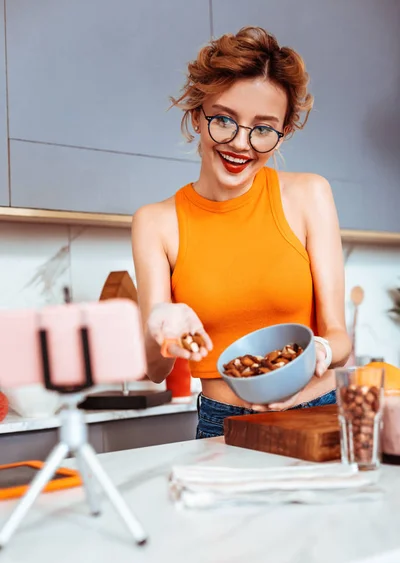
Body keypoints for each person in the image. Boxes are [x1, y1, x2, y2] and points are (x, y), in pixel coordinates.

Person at [132, 26, 351, 439]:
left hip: (317, 414)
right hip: (221, 423)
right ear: (197, 115)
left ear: (283, 131)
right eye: (224, 120)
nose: (241, 144)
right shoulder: (155, 223)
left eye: (263, 128)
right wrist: (160, 325)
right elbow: (155, 369)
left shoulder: (308, 195)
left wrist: (319, 350)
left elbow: (339, 338)